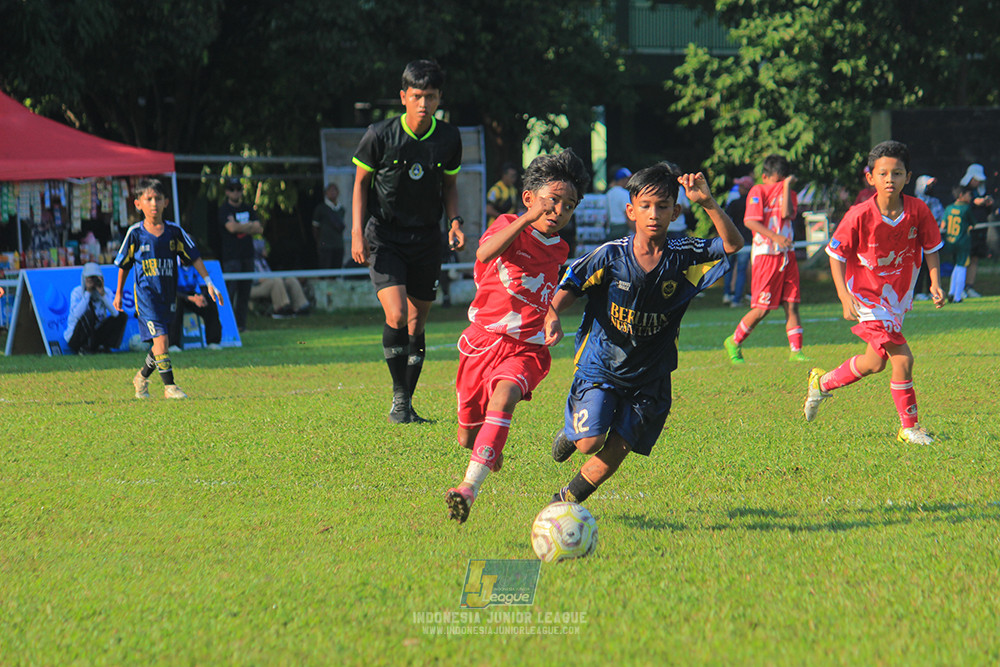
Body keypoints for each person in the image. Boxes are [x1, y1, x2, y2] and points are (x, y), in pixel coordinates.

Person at [546, 162, 743, 507]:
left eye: (663, 206)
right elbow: (571, 285)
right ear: (630, 210)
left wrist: (709, 203)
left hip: (652, 373)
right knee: (590, 442)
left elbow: (732, 245)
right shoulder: (610, 255)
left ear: (676, 212)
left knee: (620, 446)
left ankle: (565, 501)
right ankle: (572, 433)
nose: (654, 214)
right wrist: (551, 315)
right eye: (646, 206)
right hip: (602, 366)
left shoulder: (685, 256)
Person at [444, 150, 589, 524]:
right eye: (552, 201)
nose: (559, 211)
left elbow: (545, 290)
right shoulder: (509, 224)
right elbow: (484, 251)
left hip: (526, 348)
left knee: (505, 396)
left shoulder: (560, 249)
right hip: (481, 342)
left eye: (568, 206)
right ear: (529, 198)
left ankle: (467, 490)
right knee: (466, 437)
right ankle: (487, 448)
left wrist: (552, 313)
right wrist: (525, 220)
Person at [804, 140, 945, 445]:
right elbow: (836, 255)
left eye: (897, 173)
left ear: (908, 177)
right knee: (903, 359)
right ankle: (909, 428)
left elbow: (931, 247)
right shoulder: (858, 214)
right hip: (867, 297)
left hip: (896, 297)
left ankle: (823, 382)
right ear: (871, 178)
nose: (889, 180)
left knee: (874, 363)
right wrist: (844, 295)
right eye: (883, 174)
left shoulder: (918, 211)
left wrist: (934, 282)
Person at [350, 59, 465, 424]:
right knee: (397, 314)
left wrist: (455, 221)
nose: (423, 104)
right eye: (416, 96)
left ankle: (407, 404)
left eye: (430, 97)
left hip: (427, 239)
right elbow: (360, 184)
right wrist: (356, 231)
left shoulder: (448, 138)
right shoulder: (380, 134)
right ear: (403, 96)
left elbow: (449, 186)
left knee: (418, 322)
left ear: (439, 98)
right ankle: (399, 398)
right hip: (384, 236)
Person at [113, 178, 222, 399]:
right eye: (148, 199)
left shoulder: (174, 232)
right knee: (162, 340)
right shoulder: (135, 233)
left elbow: (194, 257)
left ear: (166, 202)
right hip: (146, 296)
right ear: (138, 203)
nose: (154, 203)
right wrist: (117, 293)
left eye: (158, 199)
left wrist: (209, 283)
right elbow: (123, 265)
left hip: (168, 294)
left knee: (161, 343)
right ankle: (170, 387)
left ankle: (141, 378)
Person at [723, 154, 806, 364]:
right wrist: (776, 236)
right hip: (766, 256)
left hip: (787, 256)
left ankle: (796, 351)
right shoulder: (758, 191)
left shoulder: (790, 194)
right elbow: (750, 221)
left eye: (783, 180)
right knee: (761, 309)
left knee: (791, 304)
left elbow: (787, 214)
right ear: (764, 177)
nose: (779, 184)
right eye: (777, 180)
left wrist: (786, 188)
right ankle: (734, 341)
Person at [218, 177, 262, 331]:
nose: (236, 192)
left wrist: (240, 226)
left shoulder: (248, 208)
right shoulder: (224, 209)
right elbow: (231, 229)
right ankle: (227, 326)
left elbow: (259, 228)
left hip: (247, 256)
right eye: (232, 189)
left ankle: (241, 326)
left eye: (238, 189)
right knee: (230, 292)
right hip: (232, 258)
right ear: (227, 191)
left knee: (244, 293)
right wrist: (248, 225)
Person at [64, 262, 127, 354]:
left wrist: (102, 295)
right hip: (76, 335)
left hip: (95, 334)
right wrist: (88, 292)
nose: (93, 282)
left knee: (122, 316)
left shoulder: (106, 292)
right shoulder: (77, 292)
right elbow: (76, 315)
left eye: (96, 278)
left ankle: (104, 347)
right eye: (90, 278)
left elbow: (115, 314)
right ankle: (83, 347)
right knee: (89, 314)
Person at [249, 232, 310, 317]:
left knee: (290, 279)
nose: (266, 250)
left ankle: (301, 307)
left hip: (268, 283)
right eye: (264, 248)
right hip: (253, 288)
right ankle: (281, 308)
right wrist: (271, 278)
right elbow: (254, 280)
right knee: (276, 281)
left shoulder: (263, 261)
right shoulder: (249, 262)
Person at [168, 261, 223, 351]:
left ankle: (213, 341)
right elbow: (170, 289)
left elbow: (204, 285)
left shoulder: (196, 265)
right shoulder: (172, 265)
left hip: (192, 294)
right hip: (176, 294)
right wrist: (190, 298)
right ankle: (172, 343)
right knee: (176, 303)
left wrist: (202, 297)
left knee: (210, 303)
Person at [959, 163, 995, 298]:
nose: (978, 182)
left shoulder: (983, 190)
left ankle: (969, 287)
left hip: (980, 231)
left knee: (974, 258)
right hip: (966, 231)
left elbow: (988, 210)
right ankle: (959, 287)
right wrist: (974, 202)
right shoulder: (962, 190)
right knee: (964, 259)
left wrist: (988, 203)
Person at [940, 184, 977, 303]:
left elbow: (943, 225)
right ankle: (957, 296)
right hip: (962, 242)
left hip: (950, 241)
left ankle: (951, 292)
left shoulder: (949, 208)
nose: (970, 196)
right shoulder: (966, 208)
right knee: (962, 267)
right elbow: (973, 223)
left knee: (956, 266)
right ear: (961, 195)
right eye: (968, 194)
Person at [721, 175, 754, 307]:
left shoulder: (734, 203)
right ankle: (736, 299)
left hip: (733, 239)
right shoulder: (753, 204)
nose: (738, 189)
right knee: (741, 270)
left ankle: (727, 294)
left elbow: (725, 218)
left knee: (729, 268)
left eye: (740, 186)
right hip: (746, 240)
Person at [912, 175, 945, 301]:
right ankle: (918, 291)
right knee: (919, 266)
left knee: (931, 266)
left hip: (933, 239)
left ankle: (933, 289)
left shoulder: (935, 201)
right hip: (918, 240)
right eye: (928, 186)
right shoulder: (917, 203)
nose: (931, 188)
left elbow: (941, 217)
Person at [312, 182, 346, 270]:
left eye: (334, 190)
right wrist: (320, 242)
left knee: (337, 268)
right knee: (325, 268)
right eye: (330, 190)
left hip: (338, 245)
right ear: (326, 193)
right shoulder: (321, 208)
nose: (332, 193)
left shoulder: (341, 209)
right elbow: (315, 228)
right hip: (325, 245)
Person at [604, 166, 632, 239]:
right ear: (623, 179)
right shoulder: (624, 193)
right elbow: (627, 214)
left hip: (612, 228)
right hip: (623, 228)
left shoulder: (609, 193)